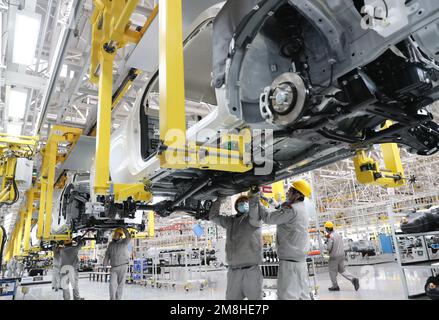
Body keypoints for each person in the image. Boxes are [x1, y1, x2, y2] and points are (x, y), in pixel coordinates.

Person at [258, 180, 312, 300]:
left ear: (298, 195)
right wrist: (266, 199)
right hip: (300, 260)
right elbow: (281, 208)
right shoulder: (301, 208)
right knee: (303, 295)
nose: (288, 192)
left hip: (289, 262)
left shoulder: (291, 209)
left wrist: (256, 202)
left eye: (291, 190)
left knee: (286, 295)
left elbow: (268, 218)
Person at [209, 192, 263, 300]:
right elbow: (213, 216)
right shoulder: (230, 221)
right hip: (233, 272)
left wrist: (254, 196)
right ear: (236, 207)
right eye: (241, 203)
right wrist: (219, 200)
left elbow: (255, 209)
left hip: (251, 271)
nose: (244, 204)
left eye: (246, 202)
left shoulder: (253, 220)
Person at [324, 221, 360, 291]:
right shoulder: (337, 234)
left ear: (327, 229)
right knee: (342, 270)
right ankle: (353, 279)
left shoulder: (330, 236)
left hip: (334, 257)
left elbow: (329, 248)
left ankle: (335, 286)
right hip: (341, 255)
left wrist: (326, 243)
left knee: (332, 271)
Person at [103, 227, 132, 300]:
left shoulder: (124, 242)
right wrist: (104, 265)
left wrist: (124, 228)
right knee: (112, 285)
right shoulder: (111, 244)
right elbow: (107, 255)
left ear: (120, 235)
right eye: (115, 234)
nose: (115, 235)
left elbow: (129, 236)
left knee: (120, 285)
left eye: (117, 234)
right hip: (114, 268)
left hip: (123, 266)